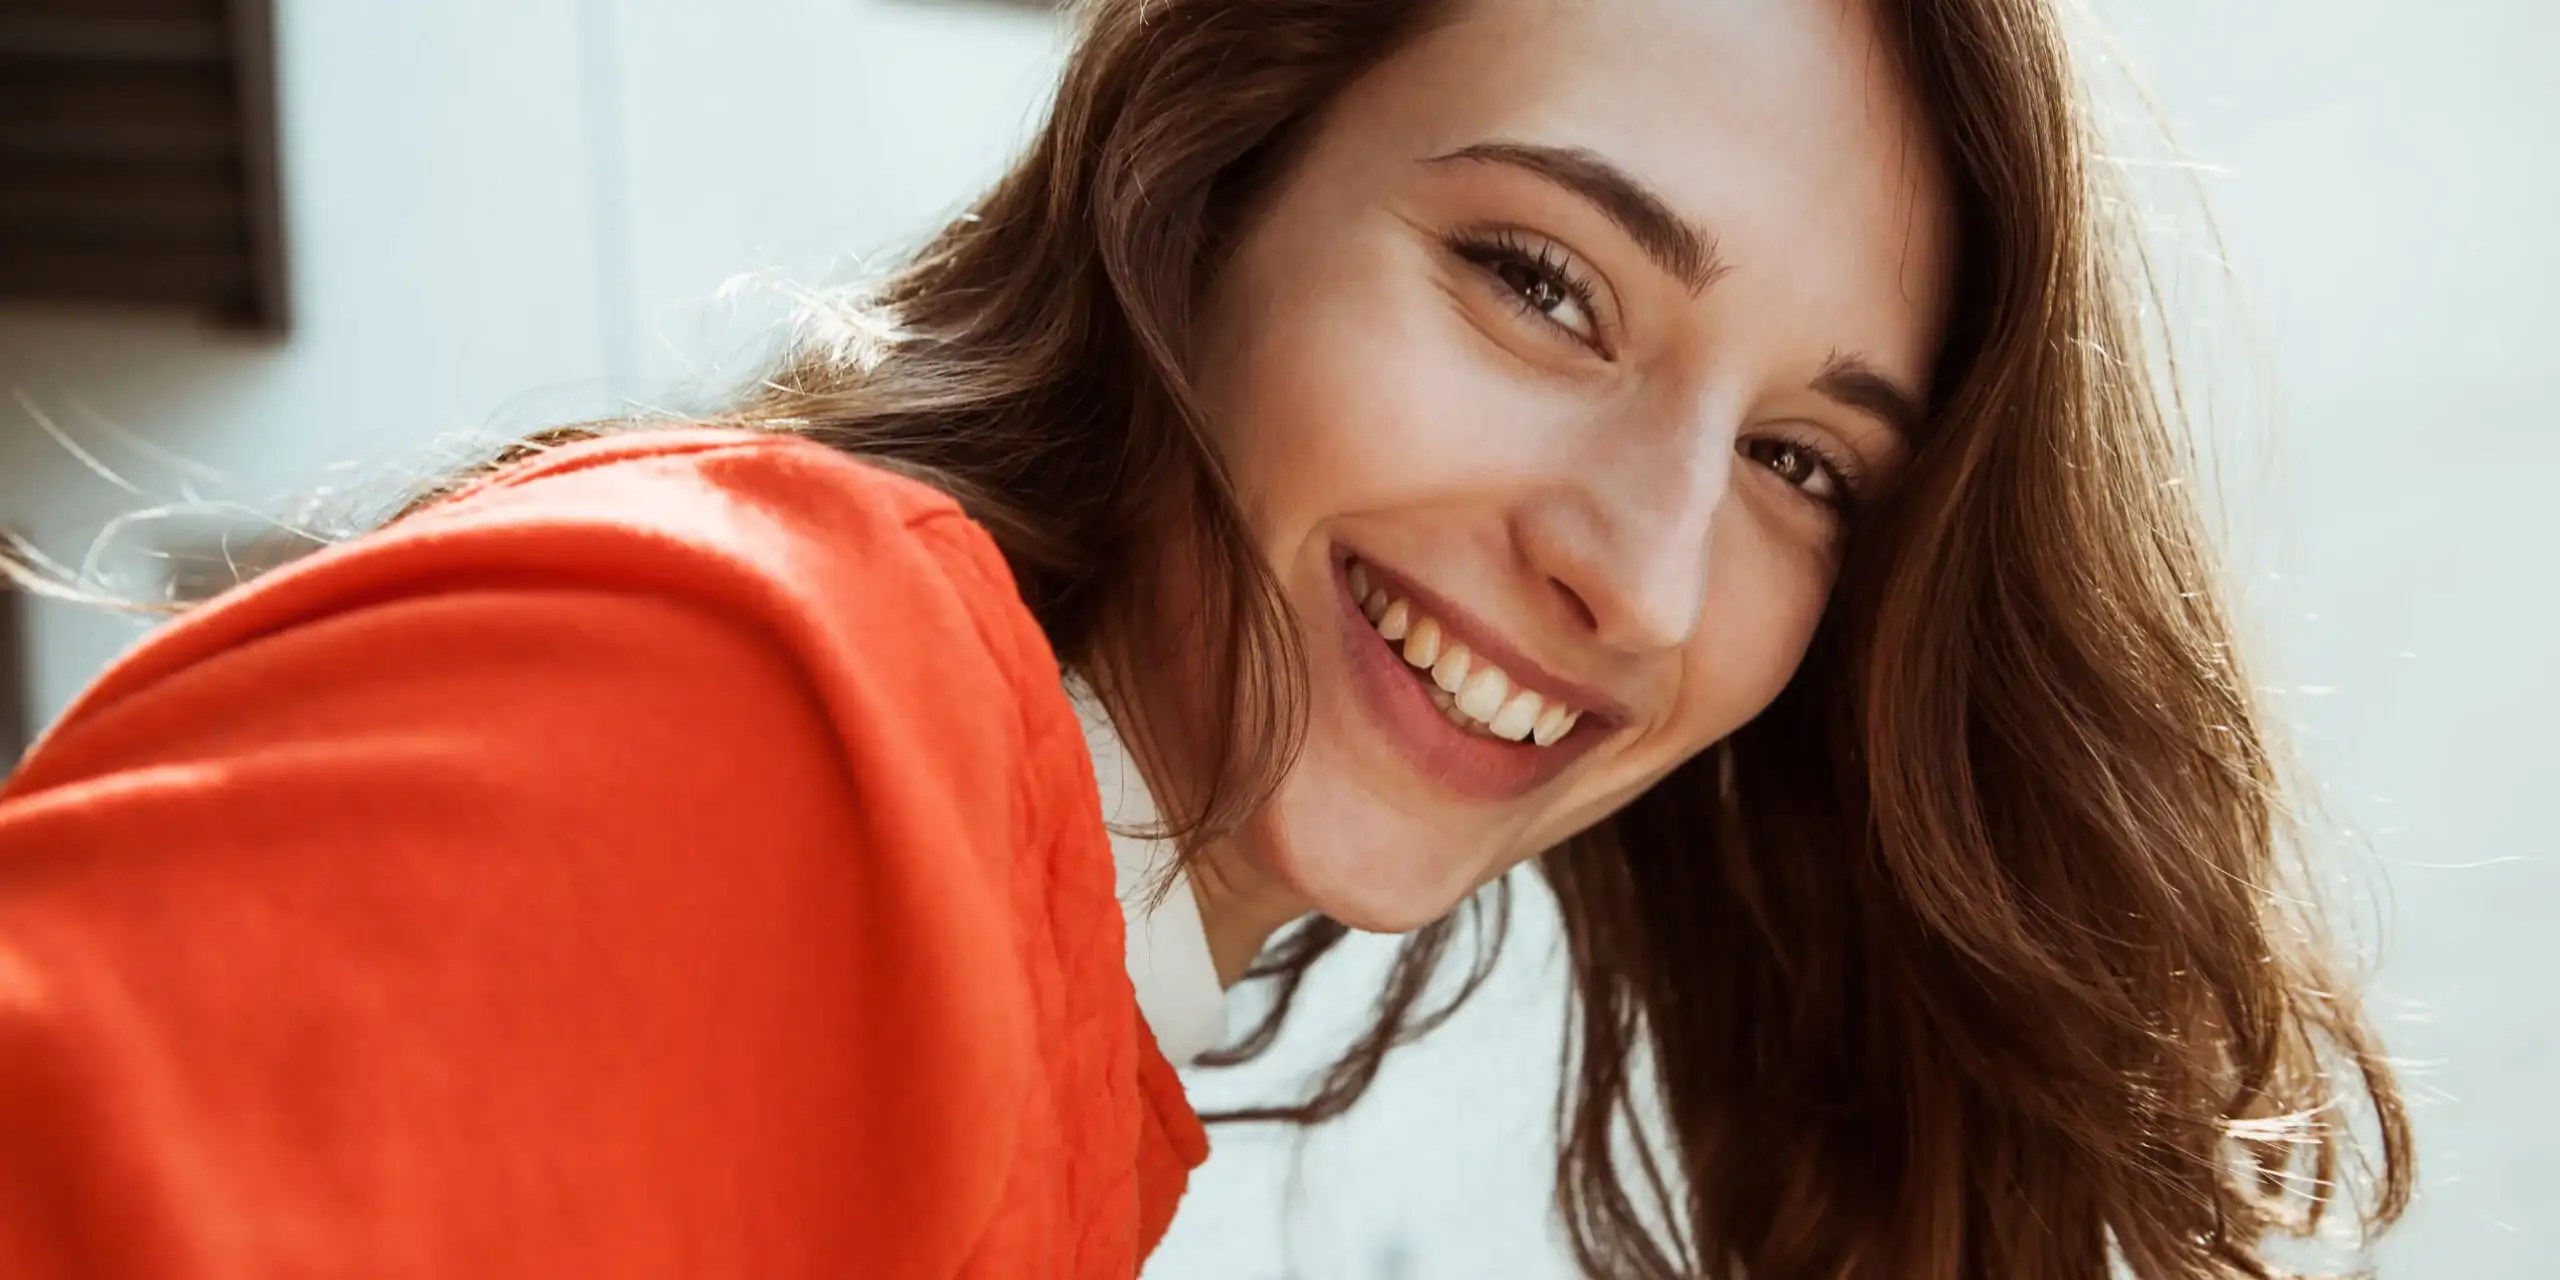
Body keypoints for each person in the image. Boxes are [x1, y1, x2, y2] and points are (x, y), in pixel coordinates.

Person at [0, 0, 2412, 1276]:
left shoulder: (1048, 956)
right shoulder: (781, 703)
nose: (1645, 576)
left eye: (1805, 465)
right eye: (1540, 283)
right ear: (1209, 186)